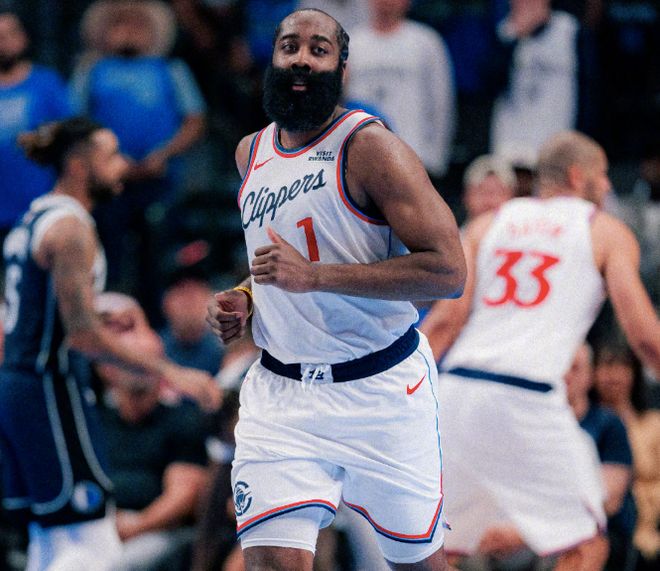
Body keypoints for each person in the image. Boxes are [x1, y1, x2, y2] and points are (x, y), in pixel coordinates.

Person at [206, 8, 466, 570]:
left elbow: (448, 271)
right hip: (281, 394)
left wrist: (316, 276)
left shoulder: (371, 148)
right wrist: (245, 298)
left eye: (318, 49)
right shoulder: (250, 152)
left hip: (379, 392)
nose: (301, 58)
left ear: (342, 69)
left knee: (418, 565)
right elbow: (278, 261)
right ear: (273, 59)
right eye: (290, 46)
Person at [420, 130, 660, 570]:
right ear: (578, 175)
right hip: (526, 395)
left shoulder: (486, 225)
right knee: (586, 545)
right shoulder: (605, 230)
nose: (608, 185)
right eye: (603, 174)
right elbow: (644, 337)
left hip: (457, 393)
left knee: (439, 550)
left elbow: (443, 323)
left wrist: (406, 397)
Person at [0, 117, 218, 571]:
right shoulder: (71, 229)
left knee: (52, 536)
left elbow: (40, 313)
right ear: (80, 165)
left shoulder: (34, 217)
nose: (123, 165)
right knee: (92, 541)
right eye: (112, 155)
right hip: (49, 388)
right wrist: (173, 372)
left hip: (22, 388)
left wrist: (95, 315)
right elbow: (83, 337)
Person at [95, 300, 209, 571]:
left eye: (150, 361)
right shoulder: (95, 419)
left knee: (116, 565)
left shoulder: (183, 419)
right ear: (108, 369)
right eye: (135, 361)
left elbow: (183, 496)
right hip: (100, 525)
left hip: (158, 531)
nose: (143, 369)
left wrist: (135, 526)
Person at [344, 0, 455, 178]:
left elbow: (441, 103)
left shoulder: (426, 41)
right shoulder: (351, 42)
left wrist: (436, 158)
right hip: (363, 158)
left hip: (416, 154)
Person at [0, 10, 72, 261]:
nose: (3, 43)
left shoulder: (46, 83)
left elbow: (71, 132)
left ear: (23, 37)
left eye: (9, 35)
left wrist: (44, 137)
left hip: (39, 205)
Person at [593, 345, 660, 569]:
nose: (613, 376)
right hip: (603, 527)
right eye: (606, 366)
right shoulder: (586, 424)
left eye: (622, 367)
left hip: (649, 524)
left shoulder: (653, 424)